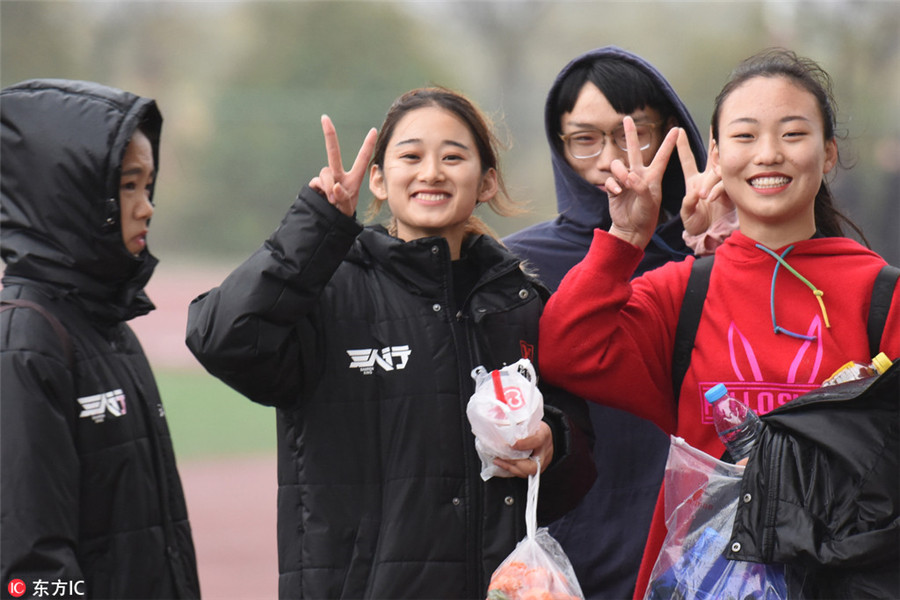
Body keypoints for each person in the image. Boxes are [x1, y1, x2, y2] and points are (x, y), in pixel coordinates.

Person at [185, 87, 596, 599]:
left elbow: (576, 462)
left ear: (487, 180)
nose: (431, 173)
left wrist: (553, 444)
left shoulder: (519, 303)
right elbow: (220, 338)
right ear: (378, 178)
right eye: (410, 156)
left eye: (453, 156)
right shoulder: (329, 293)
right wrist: (317, 223)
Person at [538, 48, 900, 600]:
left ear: (828, 154)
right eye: (745, 136)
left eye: (794, 134)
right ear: (715, 153)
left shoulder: (882, 296)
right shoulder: (684, 292)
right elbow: (569, 349)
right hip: (702, 583)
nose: (769, 155)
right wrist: (625, 242)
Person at [502, 46, 728, 599]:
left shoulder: (706, 256)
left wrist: (717, 247)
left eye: (634, 134)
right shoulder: (514, 266)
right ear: (559, 146)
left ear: (673, 134)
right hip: (565, 551)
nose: (611, 159)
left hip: (696, 546)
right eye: (585, 139)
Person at [1, 79, 200, 598]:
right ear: (67, 196)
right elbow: (31, 572)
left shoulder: (107, 324)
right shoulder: (26, 343)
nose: (147, 206)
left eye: (148, 185)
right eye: (127, 186)